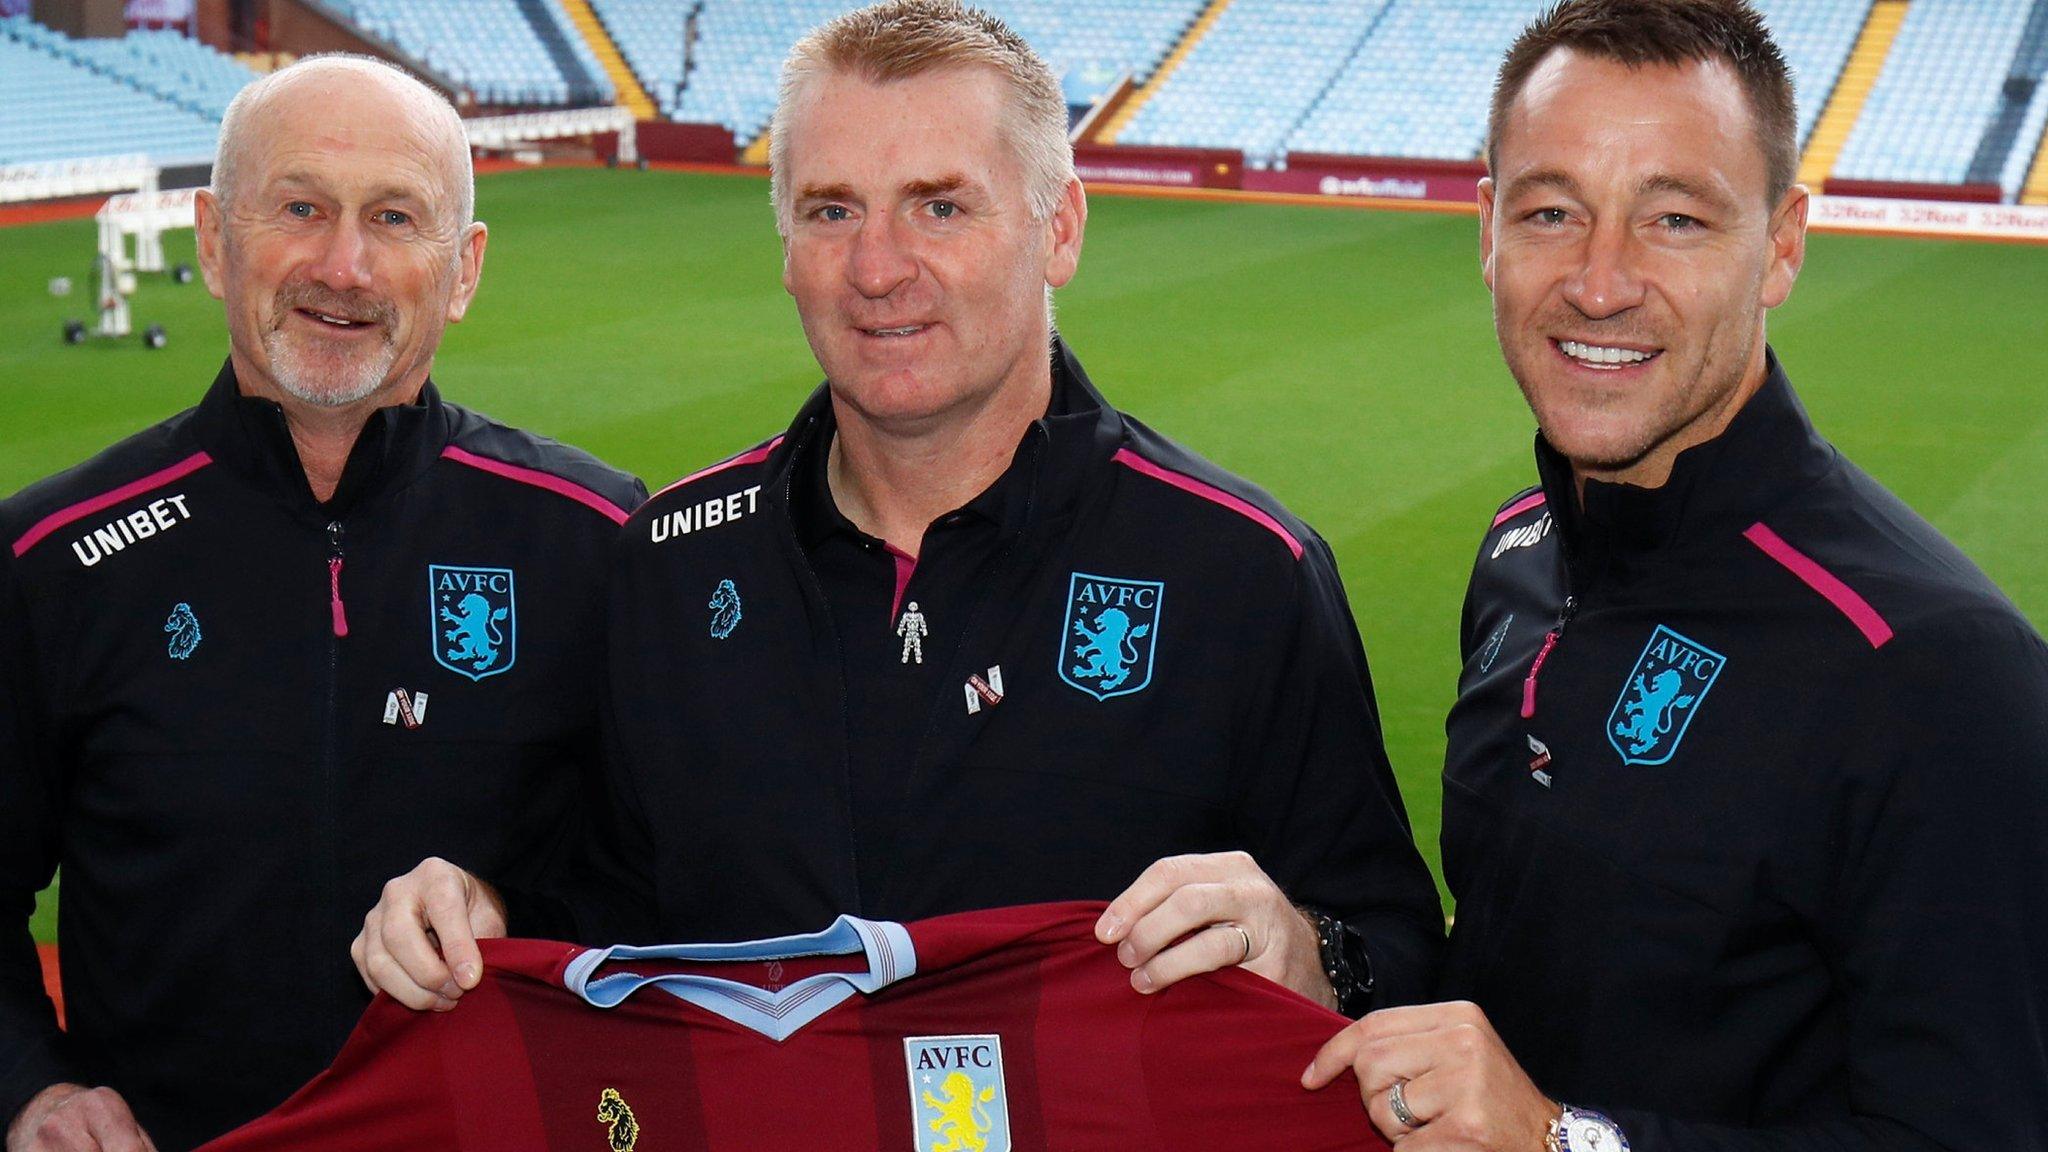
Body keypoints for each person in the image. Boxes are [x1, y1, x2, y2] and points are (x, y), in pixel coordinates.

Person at [354, 0, 1442, 1033]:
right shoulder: (670, 567)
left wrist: (1311, 954)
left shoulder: (1242, 571)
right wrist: (488, 913)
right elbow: (615, 915)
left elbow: (1395, 958)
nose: (877, 269)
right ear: (783, 246)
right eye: (831, 211)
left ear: (1057, 228)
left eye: (939, 205)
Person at [1304, 2, 2048, 1149]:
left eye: (1674, 219)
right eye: (1549, 212)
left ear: (1781, 245)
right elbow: (1516, 985)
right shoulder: (1517, 554)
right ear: (1486, 232)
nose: (1598, 284)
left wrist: (1565, 1141)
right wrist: (1324, 957)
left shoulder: (1933, 669)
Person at [0, 56, 644, 1152]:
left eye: (395, 218)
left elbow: (671, 876)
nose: (341, 266)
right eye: (299, 208)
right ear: (212, 239)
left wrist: (505, 902)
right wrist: (28, 1089)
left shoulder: (598, 540)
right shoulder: (50, 559)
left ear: (464, 269)